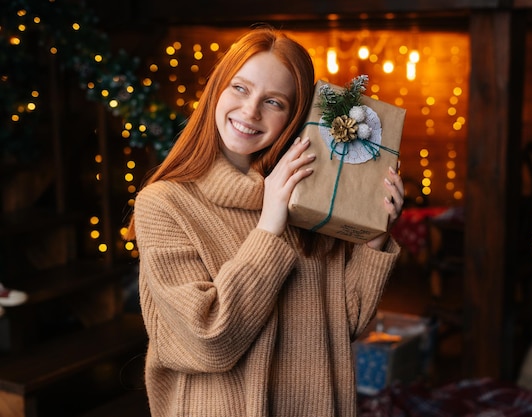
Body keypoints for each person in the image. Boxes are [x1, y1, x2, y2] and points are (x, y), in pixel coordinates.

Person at [125, 26, 404, 417]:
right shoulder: (164, 204)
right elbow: (209, 341)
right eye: (240, 88)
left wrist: (374, 235)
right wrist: (270, 225)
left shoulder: (310, 198)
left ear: (296, 117)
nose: (250, 111)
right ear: (217, 90)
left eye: (274, 102)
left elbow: (345, 326)